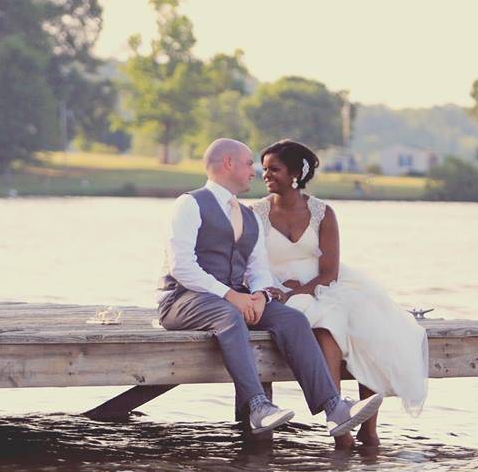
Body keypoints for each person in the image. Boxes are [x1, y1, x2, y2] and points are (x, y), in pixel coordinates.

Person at [157, 138, 384, 438]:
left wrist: (262, 295)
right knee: (229, 315)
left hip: (234, 298)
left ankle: (334, 408)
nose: (254, 171)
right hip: (183, 300)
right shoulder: (190, 204)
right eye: (249, 163)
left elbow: (258, 268)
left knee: (291, 319)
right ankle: (258, 406)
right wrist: (232, 296)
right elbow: (182, 267)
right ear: (228, 164)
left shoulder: (249, 215)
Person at [250, 139, 429, 448]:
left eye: (274, 169)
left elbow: (329, 271)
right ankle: (342, 428)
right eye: (263, 168)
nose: (265, 174)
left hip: (322, 287)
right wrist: (279, 293)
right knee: (328, 329)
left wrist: (302, 291)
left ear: (294, 173)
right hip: (276, 292)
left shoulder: (322, 213)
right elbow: (250, 264)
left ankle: (368, 428)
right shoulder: (255, 214)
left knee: (365, 327)